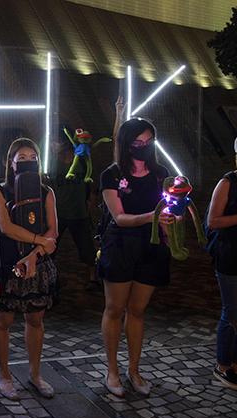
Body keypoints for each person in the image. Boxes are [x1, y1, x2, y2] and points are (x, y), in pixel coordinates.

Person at [98, 118, 173, 398]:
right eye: (137, 143)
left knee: (138, 310)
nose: (143, 148)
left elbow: (169, 207)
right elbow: (118, 217)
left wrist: (171, 231)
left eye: (149, 142)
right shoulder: (113, 175)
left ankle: (134, 369)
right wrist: (154, 217)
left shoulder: (160, 172)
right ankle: (112, 370)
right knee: (115, 309)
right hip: (120, 245)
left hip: (152, 246)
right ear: (126, 144)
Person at [0, 138, 59, 401]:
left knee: (35, 319)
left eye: (33, 156)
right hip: (8, 263)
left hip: (36, 262)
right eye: (22, 157)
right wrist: (40, 241)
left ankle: (35, 373)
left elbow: (54, 229)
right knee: (3, 320)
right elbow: (5, 227)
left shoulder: (46, 191)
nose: (28, 161)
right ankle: (4, 375)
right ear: (11, 162)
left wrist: (34, 255)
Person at [50, 126, 100, 291]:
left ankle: (94, 279)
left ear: (65, 141)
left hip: (79, 211)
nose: (52, 144)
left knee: (85, 245)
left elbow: (90, 179)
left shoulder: (81, 158)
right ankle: (48, 278)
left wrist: (91, 195)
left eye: (55, 141)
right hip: (57, 212)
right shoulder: (52, 161)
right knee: (50, 247)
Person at [205, 139, 237, 390]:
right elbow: (213, 221)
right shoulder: (227, 182)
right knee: (232, 312)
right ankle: (223, 366)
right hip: (229, 255)